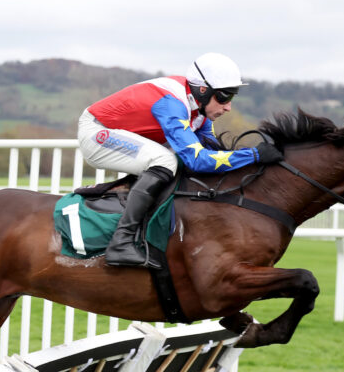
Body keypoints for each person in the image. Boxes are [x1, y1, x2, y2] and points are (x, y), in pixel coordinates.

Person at [77, 52, 283, 268]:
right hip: (97, 133)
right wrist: (254, 155)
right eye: (223, 97)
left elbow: (210, 150)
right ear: (203, 90)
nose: (228, 106)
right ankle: (121, 242)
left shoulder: (200, 110)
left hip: (123, 134)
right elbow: (198, 160)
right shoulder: (172, 104)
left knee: (173, 160)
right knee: (166, 161)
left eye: (232, 97)